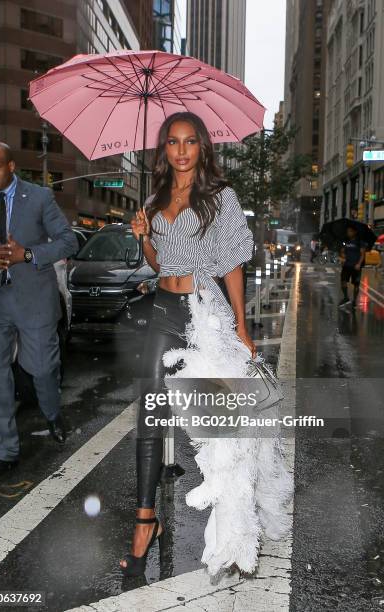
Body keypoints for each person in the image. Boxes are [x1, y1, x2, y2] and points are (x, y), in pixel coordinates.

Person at [121, 112, 292, 578]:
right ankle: (144, 520)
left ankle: (237, 528)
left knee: (224, 427)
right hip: (163, 310)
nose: (181, 150)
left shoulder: (221, 197)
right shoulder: (155, 199)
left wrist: (240, 323)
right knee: (150, 411)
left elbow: (232, 264)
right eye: (173, 143)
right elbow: (161, 264)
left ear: (202, 147)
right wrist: (144, 239)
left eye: (190, 141)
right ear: (164, 150)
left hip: (206, 314)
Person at [0, 142, 78, 480]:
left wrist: (29, 255)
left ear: (11, 166)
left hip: (33, 300)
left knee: (43, 367)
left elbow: (67, 241)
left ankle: (52, 413)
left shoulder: (39, 197)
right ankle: (6, 452)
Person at [339, 226, 367, 309]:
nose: (348, 233)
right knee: (343, 281)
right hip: (346, 265)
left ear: (355, 232)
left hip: (356, 266)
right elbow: (343, 251)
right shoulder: (346, 241)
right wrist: (342, 256)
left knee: (356, 284)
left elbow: (362, 254)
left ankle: (354, 300)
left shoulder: (360, 242)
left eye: (350, 231)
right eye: (348, 231)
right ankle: (346, 297)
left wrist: (359, 264)